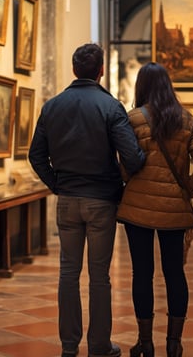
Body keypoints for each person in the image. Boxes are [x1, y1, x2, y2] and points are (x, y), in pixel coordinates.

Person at [29, 43, 145, 357]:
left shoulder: (52, 106)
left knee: (68, 273)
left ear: (74, 69)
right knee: (99, 276)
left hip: (67, 199)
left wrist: (57, 184)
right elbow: (133, 158)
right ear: (101, 70)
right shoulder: (110, 107)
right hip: (102, 202)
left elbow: (35, 155)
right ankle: (98, 346)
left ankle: (69, 346)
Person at [116, 62, 193, 357]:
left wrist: (131, 183)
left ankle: (145, 343)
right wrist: (184, 192)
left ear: (141, 86)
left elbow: (124, 164)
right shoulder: (185, 120)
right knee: (175, 274)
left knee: (141, 274)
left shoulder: (132, 119)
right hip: (174, 211)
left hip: (137, 211)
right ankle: (174, 344)